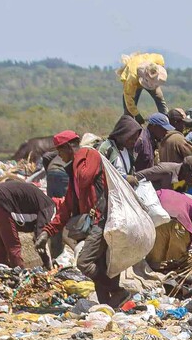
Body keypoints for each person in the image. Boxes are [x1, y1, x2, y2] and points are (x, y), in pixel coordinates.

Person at [35, 131, 129, 308]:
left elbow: (85, 178)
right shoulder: (74, 174)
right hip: (92, 224)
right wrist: (47, 232)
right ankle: (108, 307)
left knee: (84, 262)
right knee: (100, 265)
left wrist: (76, 157)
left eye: (60, 151)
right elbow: (66, 208)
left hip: (103, 220)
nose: (60, 157)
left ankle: (117, 291)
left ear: (69, 146)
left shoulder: (89, 155)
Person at [0, 180, 55, 269]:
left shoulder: (42, 201)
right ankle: (20, 271)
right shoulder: (49, 207)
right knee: (13, 246)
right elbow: (40, 237)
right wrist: (48, 263)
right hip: (1, 199)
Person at [146, 188, 192, 270]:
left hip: (160, 223)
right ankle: (171, 272)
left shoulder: (163, 192)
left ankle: (155, 270)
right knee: (176, 262)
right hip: (179, 226)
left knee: (155, 260)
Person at [117, 52, 168, 123]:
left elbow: (160, 64)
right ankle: (128, 124)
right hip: (135, 82)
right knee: (128, 111)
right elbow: (128, 99)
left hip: (150, 79)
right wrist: (136, 114)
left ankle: (166, 119)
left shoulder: (158, 59)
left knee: (159, 98)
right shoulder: (131, 79)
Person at [99, 115, 141, 183]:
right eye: (131, 138)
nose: (133, 142)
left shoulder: (127, 150)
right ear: (123, 134)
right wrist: (124, 178)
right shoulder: (107, 148)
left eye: (135, 139)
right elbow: (101, 174)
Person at [42, 150, 68, 258]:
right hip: (63, 174)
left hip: (51, 172)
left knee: (53, 210)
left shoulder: (63, 149)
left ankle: (54, 252)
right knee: (64, 210)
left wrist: (48, 172)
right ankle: (58, 252)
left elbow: (46, 156)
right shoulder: (86, 149)